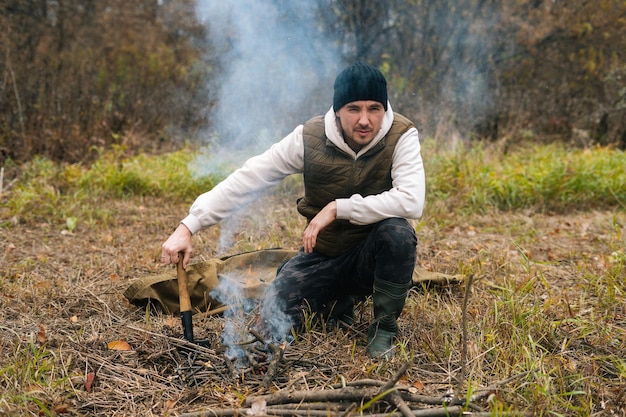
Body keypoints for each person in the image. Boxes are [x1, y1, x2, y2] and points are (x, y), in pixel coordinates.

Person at [161, 61, 426, 358]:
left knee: (398, 233)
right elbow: (250, 177)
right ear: (338, 109)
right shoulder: (309, 137)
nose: (364, 120)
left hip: (370, 258)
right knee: (271, 324)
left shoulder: (401, 134)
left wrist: (338, 208)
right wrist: (189, 225)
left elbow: (411, 200)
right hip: (323, 255)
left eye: (374, 109)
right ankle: (337, 299)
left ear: (384, 108)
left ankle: (384, 328)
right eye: (354, 109)